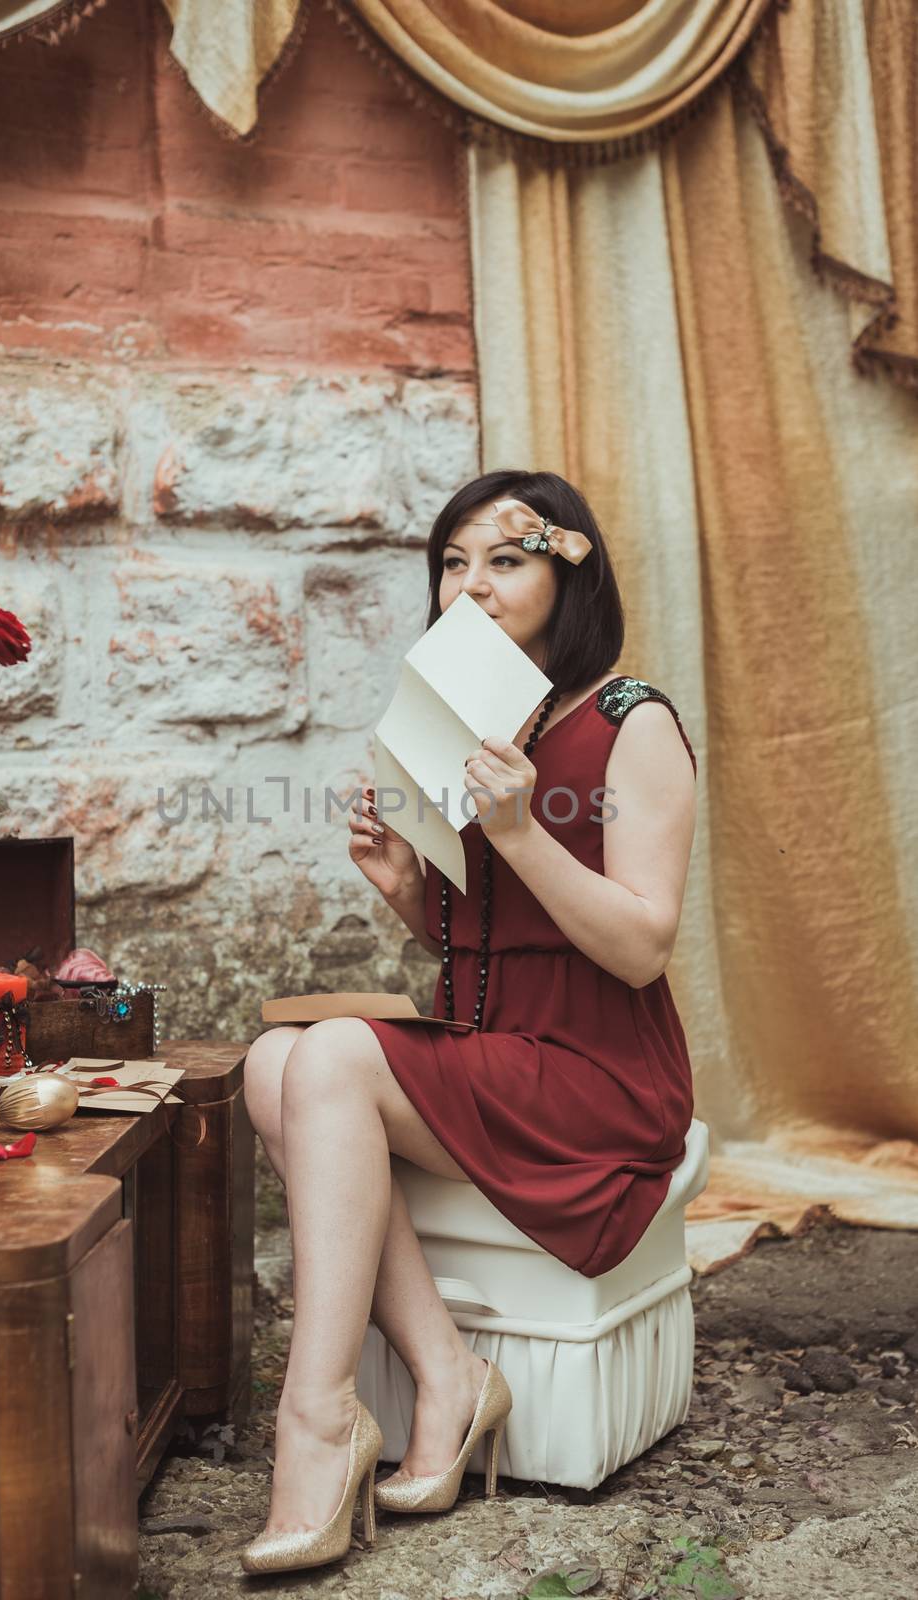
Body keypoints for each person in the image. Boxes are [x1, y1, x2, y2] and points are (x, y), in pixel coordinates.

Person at [239, 468, 698, 1575]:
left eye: (507, 558)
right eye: (454, 561)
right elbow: (480, 947)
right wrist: (403, 881)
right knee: (269, 1063)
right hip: (506, 1056)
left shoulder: (630, 724)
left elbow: (640, 943)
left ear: (566, 575)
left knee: (335, 1055)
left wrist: (522, 829)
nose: (474, 584)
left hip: (602, 1080)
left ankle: (317, 1420)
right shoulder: (467, 723)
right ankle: (449, 1373)